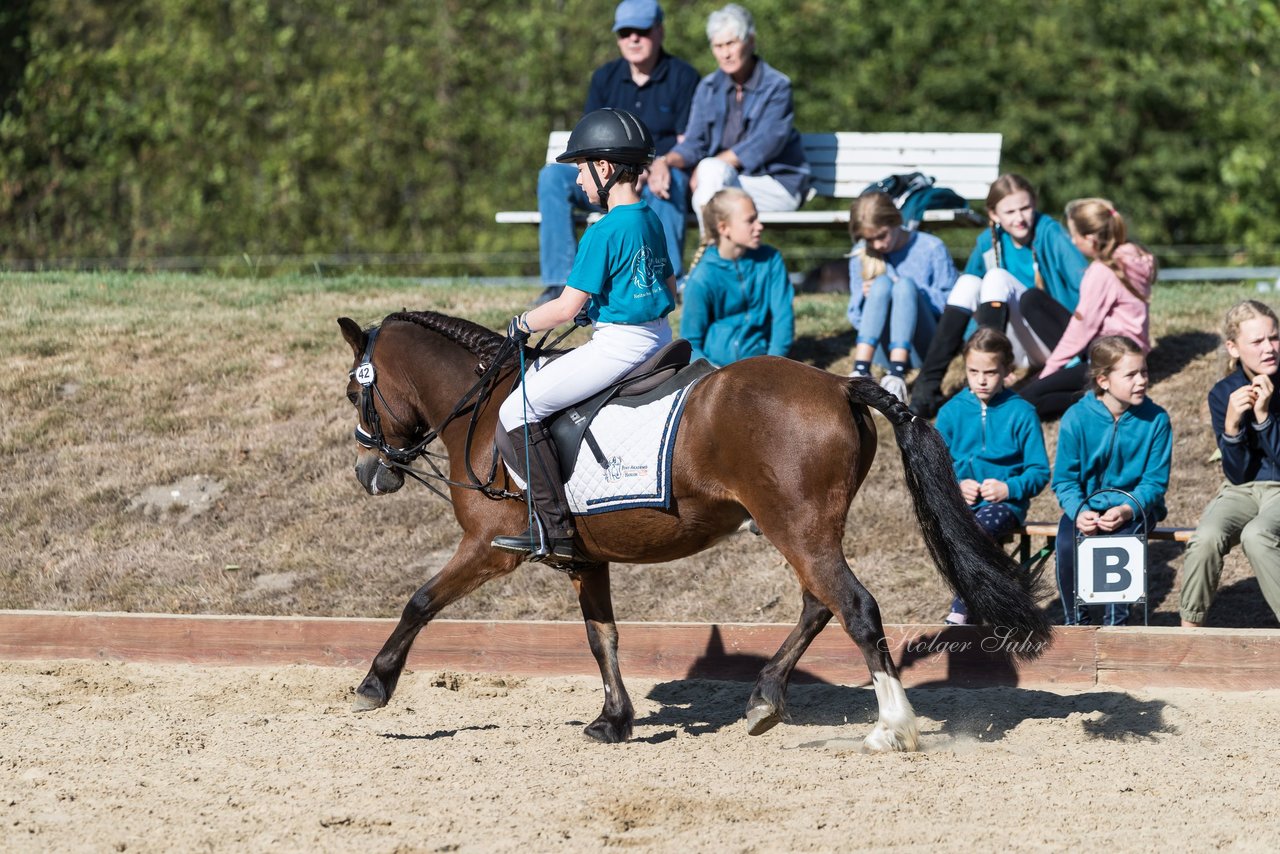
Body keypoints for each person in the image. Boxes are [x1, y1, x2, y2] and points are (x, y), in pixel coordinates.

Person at [494, 109, 677, 562]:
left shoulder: (604, 231)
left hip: (621, 346)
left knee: (518, 409)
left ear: (604, 168)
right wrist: (603, 306)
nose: (577, 181)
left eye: (580, 169)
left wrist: (520, 323)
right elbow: (666, 289)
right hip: (661, 338)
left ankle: (552, 528)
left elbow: (564, 307)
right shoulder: (652, 219)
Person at [534, 0, 700, 306]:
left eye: (642, 31)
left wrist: (655, 164)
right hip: (607, 173)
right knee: (552, 178)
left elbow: (688, 141)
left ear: (659, 31)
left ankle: (663, 282)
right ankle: (560, 283)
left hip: (657, 176)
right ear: (618, 38)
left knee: (670, 182)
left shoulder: (684, 78)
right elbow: (588, 138)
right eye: (625, 32)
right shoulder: (604, 78)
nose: (633, 38)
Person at [909, 174, 1089, 418]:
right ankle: (926, 388)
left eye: (1025, 208)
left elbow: (1087, 285)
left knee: (996, 277)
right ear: (994, 215)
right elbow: (967, 299)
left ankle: (991, 368)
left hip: (1055, 340)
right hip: (1015, 345)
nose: (1019, 218)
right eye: (1010, 211)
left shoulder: (1050, 232)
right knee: (967, 282)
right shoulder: (987, 242)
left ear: (1034, 204)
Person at [656, 3, 809, 235]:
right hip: (722, 182)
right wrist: (665, 161)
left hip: (775, 184)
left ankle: (711, 257)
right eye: (718, 46)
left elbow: (764, 144)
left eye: (731, 43)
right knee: (696, 182)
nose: (725, 53)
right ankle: (716, 259)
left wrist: (710, 166)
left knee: (711, 175)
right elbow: (693, 142)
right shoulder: (707, 87)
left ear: (750, 41)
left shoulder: (777, 86)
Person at [1052, 336, 1172, 626]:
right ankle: (1075, 621)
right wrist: (1079, 512)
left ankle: (1116, 623)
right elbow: (1065, 480)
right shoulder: (1076, 418)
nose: (1141, 380)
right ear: (1103, 380)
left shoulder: (1156, 420)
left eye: (1143, 371)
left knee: (1122, 541)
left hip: (1135, 508)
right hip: (1086, 507)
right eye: (1131, 375)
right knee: (1067, 545)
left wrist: (1127, 509)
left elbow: (1154, 482)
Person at [935, 328, 1050, 624]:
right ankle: (994, 602)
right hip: (961, 507)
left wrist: (1009, 488)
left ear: (1007, 371)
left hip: (1004, 507)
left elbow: (1039, 472)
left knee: (976, 534)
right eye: (973, 372)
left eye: (990, 372)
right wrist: (957, 487)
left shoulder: (1022, 412)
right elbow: (936, 471)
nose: (981, 380)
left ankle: (961, 612)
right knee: (967, 536)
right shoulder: (950, 413)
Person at [1180, 300, 1280, 628]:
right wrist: (1232, 426)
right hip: (1243, 488)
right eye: (1257, 341)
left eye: (1274, 337)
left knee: (1257, 534)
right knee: (1206, 537)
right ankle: (1187, 635)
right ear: (1233, 348)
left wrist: (1264, 418)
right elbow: (1235, 473)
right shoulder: (1223, 393)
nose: (1269, 348)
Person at [1020, 199, 1156, 420]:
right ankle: (1090, 383)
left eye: (1075, 236)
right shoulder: (1133, 253)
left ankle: (1098, 396)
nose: (1072, 241)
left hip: (1111, 358)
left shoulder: (1102, 272)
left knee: (1025, 401)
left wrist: (1049, 371)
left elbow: (1080, 329)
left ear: (1090, 239)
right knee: (1032, 299)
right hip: (1116, 346)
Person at [845, 191, 958, 403]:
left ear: (896, 221)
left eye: (882, 235)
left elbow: (951, 305)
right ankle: (861, 370)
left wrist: (913, 292)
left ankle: (896, 376)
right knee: (881, 285)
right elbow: (855, 317)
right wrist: (865, 298)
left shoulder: (932, 247)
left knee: (904, 286)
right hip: (880, 350)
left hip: (921, 344)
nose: (878, 245)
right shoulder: (861, 254)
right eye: (870, 239)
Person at [679, 188, 793, 366]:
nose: (759, 226)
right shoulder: (702, 276)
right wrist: (715, 374)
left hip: (764, 365)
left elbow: (783, 318)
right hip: (717, 370)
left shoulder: (771, 260)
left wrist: (772, 365)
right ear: (724, 228)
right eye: (750, 220)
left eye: (757, 217)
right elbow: (690, 342)